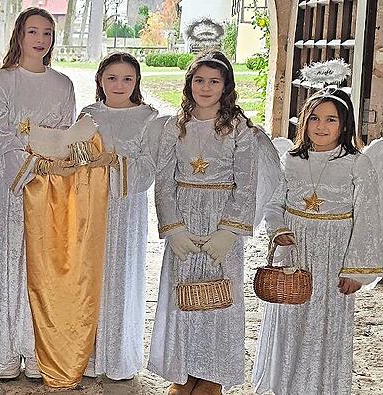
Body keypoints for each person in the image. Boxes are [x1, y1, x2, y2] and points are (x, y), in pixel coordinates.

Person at [252, 87, 383, 395]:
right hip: (294, 249)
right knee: (290, 315)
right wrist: (278, 229)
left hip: (335, 254)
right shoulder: (291, 160)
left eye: (330, 120)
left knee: (324, 321)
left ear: (345, 125)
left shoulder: (357, 164)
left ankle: (318, 386)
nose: (321, 126)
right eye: (314, 118)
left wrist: (356, 270)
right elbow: (274, 203)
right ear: (304, 122)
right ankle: (284, 384)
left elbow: (368, 218)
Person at [150, 50, 258, 395]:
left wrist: (229, 231)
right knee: (184, 297)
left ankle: (212, 374)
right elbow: (164, 179)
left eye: (214, 81)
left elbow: (248, 181)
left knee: (218, 296)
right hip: (184, 215)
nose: (206, 87)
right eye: (199, 80)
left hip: (221, 217)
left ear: (225, 86)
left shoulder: (239, 128)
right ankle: (183, 372)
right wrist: (174, 229)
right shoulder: (173, 125)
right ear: (189, 84)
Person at [0, 6, 76, 381]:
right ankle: (5, 348)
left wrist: (54, 162)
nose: (40, 40)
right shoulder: (1, 82)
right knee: (9, 259)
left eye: (47, 33)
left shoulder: (63, 84)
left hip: (51, 186)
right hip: (13, 186)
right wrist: (31, 165)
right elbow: (0, 137)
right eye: (33, 32)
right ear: (19, 35)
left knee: (41, 264)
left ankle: (35, 348)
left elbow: (67, 135)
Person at [78, 52, 160, 381]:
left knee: (122, 276)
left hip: (126, 209)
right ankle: (89, 355)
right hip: (90, 206)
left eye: (127, 78)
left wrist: (114, 162)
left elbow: (148, 168)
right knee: (90, 276)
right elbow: (75, 156)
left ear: (137, 81)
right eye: (111, 78)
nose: (119, 84)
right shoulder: (88, 114)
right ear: (100, 80)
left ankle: (119, 354)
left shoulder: (149, 117)